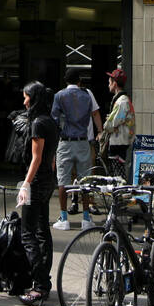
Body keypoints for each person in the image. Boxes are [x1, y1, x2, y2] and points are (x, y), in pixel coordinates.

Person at [18, 81, 58, 306]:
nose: (24, 102)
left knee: (28, 234)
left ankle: (41, 283)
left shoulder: (37, 125)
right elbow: (50, 159)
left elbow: (37, 158)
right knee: (43, 230)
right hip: (47, 181)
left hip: (36, 182)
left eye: (26, 97)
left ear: (33, 98)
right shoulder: (51, 122)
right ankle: (44, 278)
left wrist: (26, 184)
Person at [50, 67, 101, 230]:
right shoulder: (86, 95)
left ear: (66, 81)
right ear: (79, 81)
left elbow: (54, 119)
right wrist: (100, 131)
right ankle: (86, 218)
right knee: (85, 181)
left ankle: (64, 218)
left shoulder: (59, 96)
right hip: (83, 142)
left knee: (63, 180)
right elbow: (95, 114)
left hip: (65, 142)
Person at [98, 68, 134, 172]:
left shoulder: (122, 102)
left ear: (115, 84)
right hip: (121, 143)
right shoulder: (123, 100)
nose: (108, 85)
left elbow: (111, 124)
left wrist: (107, 122)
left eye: (109, 82)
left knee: (118, 177)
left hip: (119, 144)